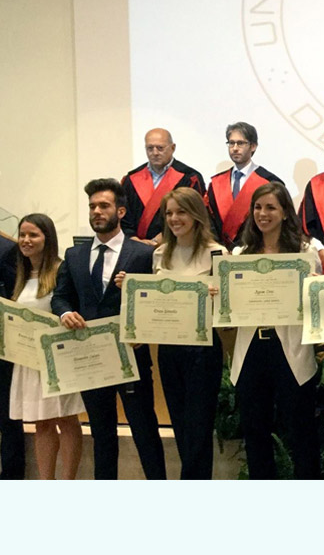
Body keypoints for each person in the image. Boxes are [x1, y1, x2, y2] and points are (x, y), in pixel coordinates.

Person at [50, 179, 166, 479]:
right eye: (92, 206)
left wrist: (142, 319)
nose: (97, 212)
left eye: (104, 206)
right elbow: (61, 295)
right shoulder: (75, 254)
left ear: (121, 210)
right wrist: (65, 313)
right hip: (91, 357)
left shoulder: (141, 254)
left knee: (145, 431)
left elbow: (156, 301)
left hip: (131, 354)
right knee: (102, 434)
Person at [115, 188, 224, 479]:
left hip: (203, 350)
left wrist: (216, 297)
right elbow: (152, 303)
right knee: (180, 425)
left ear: (196, 215)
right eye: (169, 213)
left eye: (181, 212)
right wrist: (131, 285)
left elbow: (227, 312)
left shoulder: (217, 253)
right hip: (169, 350)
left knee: (199, 429)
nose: (175, 219)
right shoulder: (160, 254)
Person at [229, 182, 322, 479]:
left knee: (300, 431)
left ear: (285, 213)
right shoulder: (240, 253)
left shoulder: (305, 253)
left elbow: (315, 306)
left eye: (270, 207)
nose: (262, 213)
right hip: (252, 348)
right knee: (255, 432)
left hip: (290, 348)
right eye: (257, 207)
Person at [7, 214, 85, 479]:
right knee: (41, 423)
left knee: (66, 419)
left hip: (58, 359)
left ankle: (67, 482)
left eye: (33, 235)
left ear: (47, 238)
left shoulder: (63, 270)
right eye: (23, 235)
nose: (26, 240)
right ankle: (46, 484)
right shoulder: (20, 274)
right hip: (28, 360)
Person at [206, 122, 284, 249]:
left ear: (253, 146)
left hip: (257, 250)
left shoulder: (269, 182)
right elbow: (209, 221)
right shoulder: (217, 183)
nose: (235, 148)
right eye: (231, 143)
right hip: (221, 253)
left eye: (240, 143)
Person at [120, 127, 206, 244]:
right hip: (135, 248)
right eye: (150, 148)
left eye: (160, 148)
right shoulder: (131, 179)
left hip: (176, 246)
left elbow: (195, 216)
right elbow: (124, 216)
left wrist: (158, 241)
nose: (155, 153)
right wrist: (133, 240)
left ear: (173, 148)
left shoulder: (189, 178)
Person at [0, 233, 25, 480]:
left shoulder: (7, 248)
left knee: (7, 415)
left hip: (3, 346)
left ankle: (11, 476)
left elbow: (15, 297)